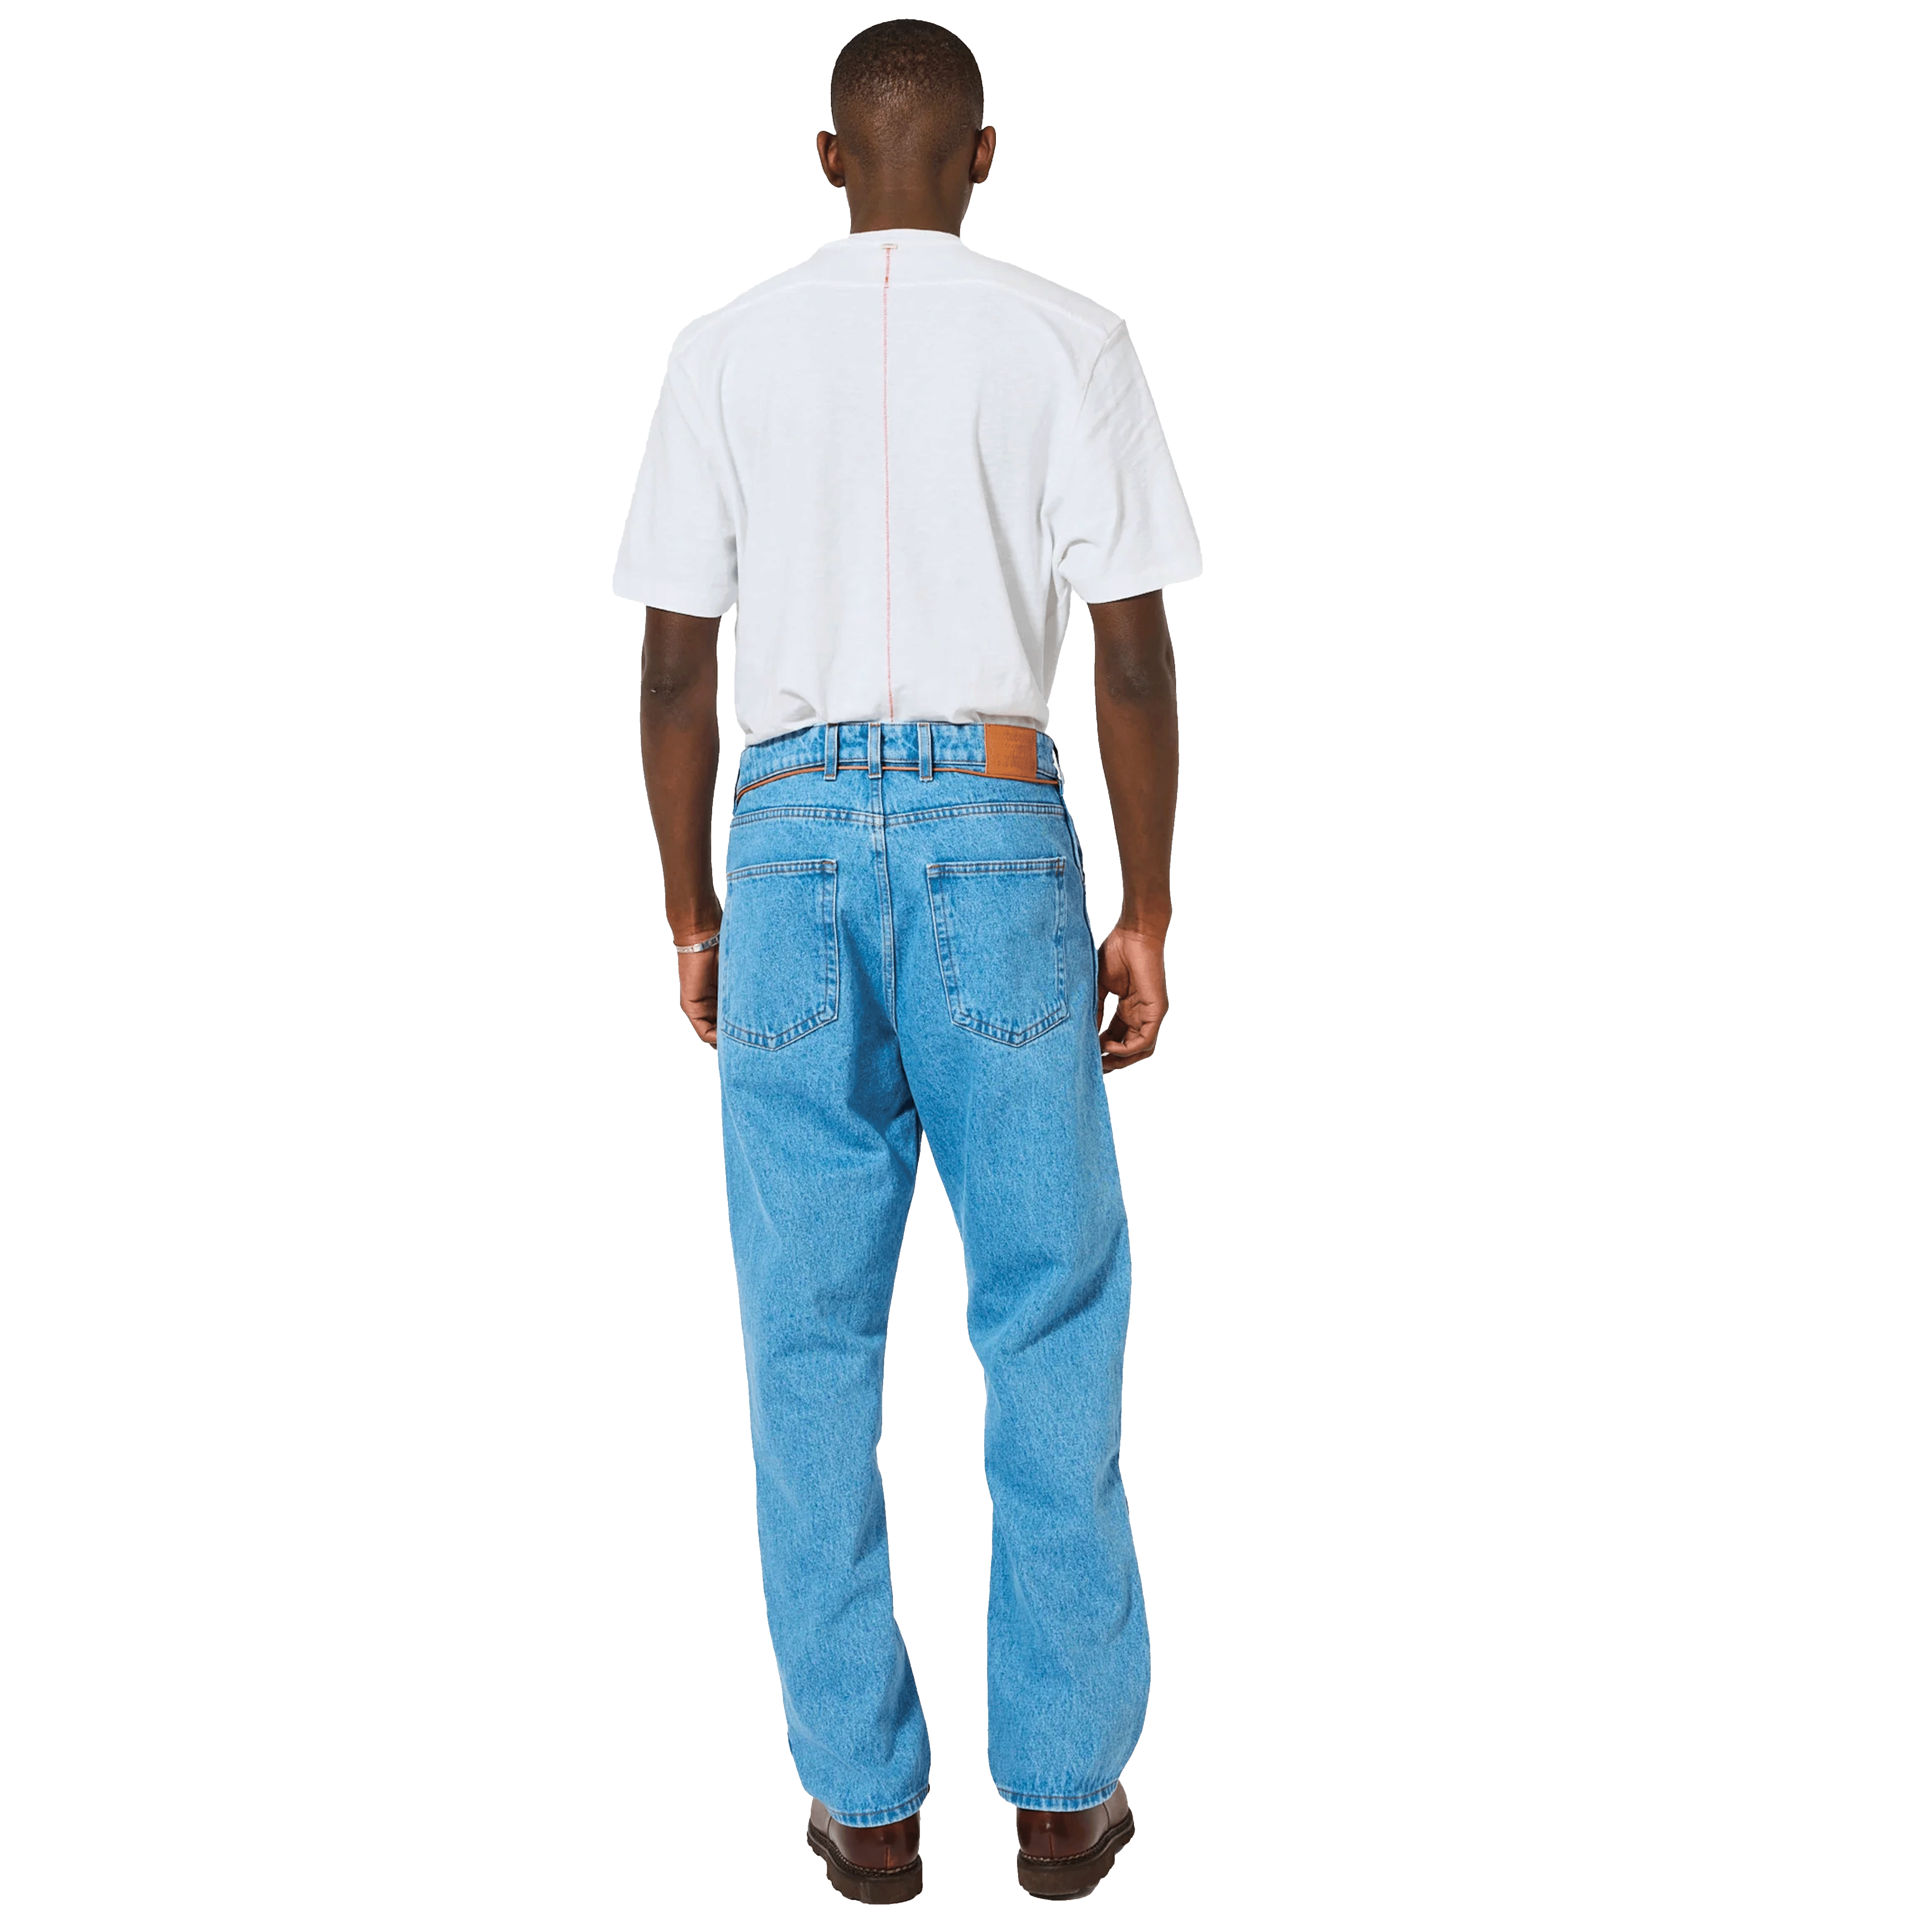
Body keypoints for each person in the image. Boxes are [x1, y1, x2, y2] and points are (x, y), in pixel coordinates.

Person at [616, 19, 1199, 1905]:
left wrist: (694, 915)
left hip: (783, 844)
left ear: (825, 159)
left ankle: (861, 1804)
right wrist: (1144, 908)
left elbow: (672, 670)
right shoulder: (1070, 340)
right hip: (996, 834)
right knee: (1047, 1314)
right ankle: (1062, 1791)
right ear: (981, 154)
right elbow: (1130, 660)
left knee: (803, 1345)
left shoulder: (718, 348)